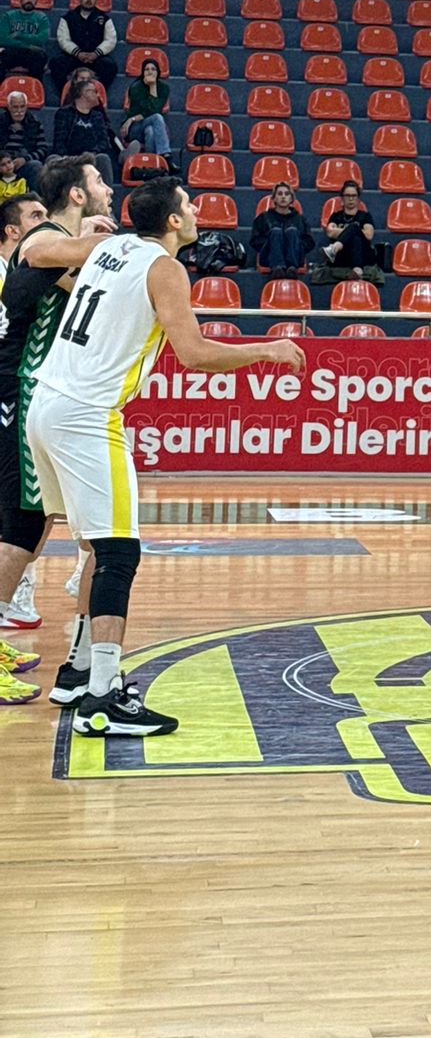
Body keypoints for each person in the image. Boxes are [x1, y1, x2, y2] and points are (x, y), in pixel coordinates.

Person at [30, 174, 305, 737]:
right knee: (119, 552)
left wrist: (78, 238)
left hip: (47, 402)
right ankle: (104, 697)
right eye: (190, 204)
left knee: (94, 544)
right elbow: (195, 354)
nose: (199, 209)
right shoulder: (165, 267)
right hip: (87, 415)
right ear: (174, 221)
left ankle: (78, 670)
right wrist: (268, 350)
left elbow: (37, 251)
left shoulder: (109, 247)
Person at [0, 156, 117, 703]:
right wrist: (113, 245)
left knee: (36, 523)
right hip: (23, 388)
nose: (107, 188)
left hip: (48, 396)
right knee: (20, 528)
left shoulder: (74, 248)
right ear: (75, 195)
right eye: (97, 181)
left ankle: (75, 654)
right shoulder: (46, 234)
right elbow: (35, 251)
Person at [0, 191, 47, 636]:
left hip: (22, 390)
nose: (45, 222)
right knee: (18, 511)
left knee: (30, 509)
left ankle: (16, 595)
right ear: (13, 231)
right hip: (7, 389)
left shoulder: (31, 271)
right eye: (36, 216)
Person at [48, 0, 119, 98]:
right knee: (57, 63)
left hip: (96, 58)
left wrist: (96, 54)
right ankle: (66, 96)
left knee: (109, 66)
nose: (89, 0)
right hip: (74, 57)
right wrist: (78, 53)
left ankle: (97, 95)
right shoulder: (68, 18)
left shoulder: (104, 18)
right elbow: (63, 39)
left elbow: (110, 40)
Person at [313, 180, 383, 287]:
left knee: (355, 229)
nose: (351, 199)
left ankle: (334, 249)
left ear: (358, 199)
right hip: (343, 256)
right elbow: (330, 233)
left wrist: (349, 231)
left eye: (354, 196)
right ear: (342, 198)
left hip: (363, 255)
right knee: (355, 231)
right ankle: (356, 270)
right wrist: (354, 232)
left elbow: (369, 235)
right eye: (347, 195)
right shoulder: (336, 216)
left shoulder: (365, 216)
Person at [54, 69, 120, 180]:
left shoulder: (97, 116)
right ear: (83, 94)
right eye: (93, 91)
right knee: (53, 159)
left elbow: (103, 142)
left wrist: (92, 153)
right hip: (69, 157)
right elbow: (59, 142)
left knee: (103, 158)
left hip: (92, 156)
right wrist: (71, 158)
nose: (97, 94)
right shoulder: (64, 113)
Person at [250, 182, 314, 273]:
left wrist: (294, 245)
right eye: (279, 194)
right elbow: (255, 240)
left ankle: (292, 268)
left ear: (291, 198)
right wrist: (273, 244)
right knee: (276, 232)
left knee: (292, 231)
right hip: (269, 257)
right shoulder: (264, 218)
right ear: (274, 198)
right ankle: (277, 267)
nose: (283, 197)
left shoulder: (300, 219)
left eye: (287, 194)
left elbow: (309, 241)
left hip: (295, 258)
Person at [121, 55, 173, 162]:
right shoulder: (136, 88)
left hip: (148, 123)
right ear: (142, 72)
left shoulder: (164, 88)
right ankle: (165, 155)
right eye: (147, 69)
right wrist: (132, 119)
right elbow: (152, 111)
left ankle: (151, 163)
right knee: (157, 117)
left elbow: (154, 110)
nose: (150, 72)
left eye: (153, 69)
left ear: (158, 72)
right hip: (134, 128)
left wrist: (153, 86)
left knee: (150, 131)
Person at [0, 0, 53, 81]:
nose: (30, 0)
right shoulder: (7, 16)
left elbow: (42, 39)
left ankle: (35, 92)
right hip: (12, 52)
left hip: (32, 54)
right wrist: (28, 45)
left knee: (39, 57)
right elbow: (2, 39)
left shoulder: (42, 18)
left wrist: (19, 35)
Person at [0, 88, 48, 185]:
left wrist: (25, 159)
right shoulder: (1, 121)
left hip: (23, 163)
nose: (19, 111)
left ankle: (33, 198)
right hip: (1, 162)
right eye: (15, 107)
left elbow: (43, 149)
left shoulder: (35, 123)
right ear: (9, 107)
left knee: (36, 165)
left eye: (22, 107)